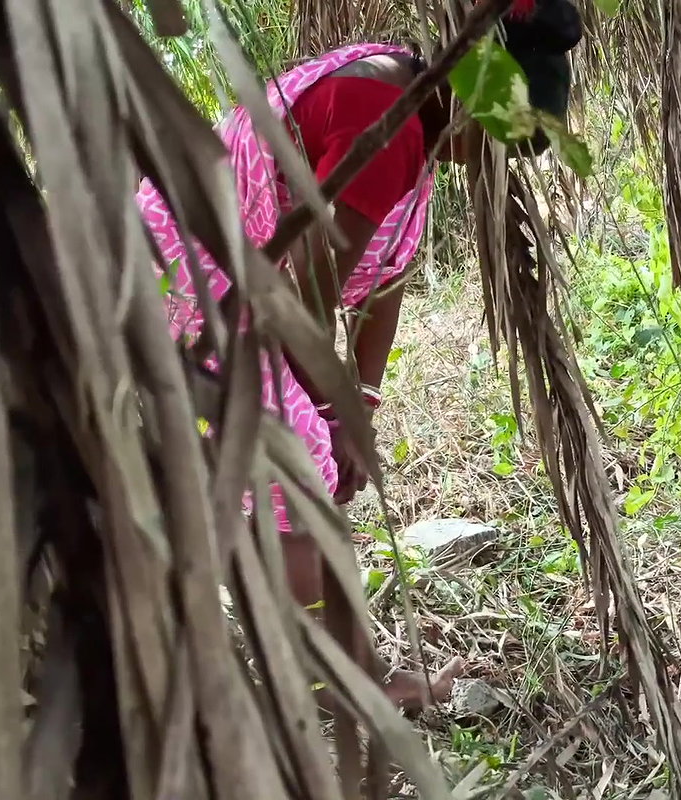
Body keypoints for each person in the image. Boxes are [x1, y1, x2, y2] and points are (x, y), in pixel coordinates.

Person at [136, 0, 583, 708]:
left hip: (244, 282)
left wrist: (362, 402)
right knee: (298, 465)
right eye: (500, 132)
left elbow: (387, 282)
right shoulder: (386, 117)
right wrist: (331, 413)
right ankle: (344, 683)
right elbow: (303, 292)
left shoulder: (418, 115)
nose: (492, 154)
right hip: (188, 272)